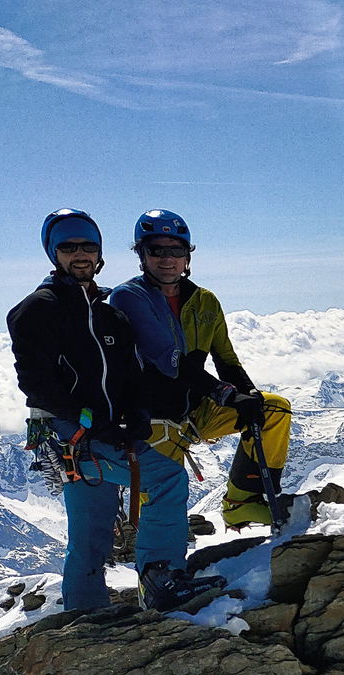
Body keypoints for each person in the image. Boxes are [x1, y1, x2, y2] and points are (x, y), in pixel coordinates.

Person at [7, 209, 224, 612]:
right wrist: (93, 424)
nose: (81, 254)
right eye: (69, 247)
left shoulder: (109, 314)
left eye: (88, 246)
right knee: (165, 477)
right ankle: (161, 579)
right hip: (72, 434)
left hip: (90, 437)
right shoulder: (38, 309)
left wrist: (135, 413)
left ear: (100, 252)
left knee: (91, 532)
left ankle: (84, 614)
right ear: (54, 253)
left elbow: (129, 375)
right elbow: (37, 385)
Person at [108, 210, 292, 529]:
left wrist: (248, 397)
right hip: (150, 420)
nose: (167, 259)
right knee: (162, 514)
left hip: (195, 411)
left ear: (187, 256)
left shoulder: (205, 302)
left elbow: (226, 360)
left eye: (176, 250)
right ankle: (149, 547)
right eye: (156, 250)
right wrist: (225, 395)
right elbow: (166, 358)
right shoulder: (129, 297)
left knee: (273, 410)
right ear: (141, 255)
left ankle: (242, 504)